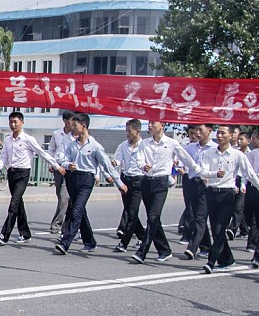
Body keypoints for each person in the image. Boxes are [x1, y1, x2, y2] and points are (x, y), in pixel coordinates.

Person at [196, 125, 259, 274]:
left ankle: (211, 261)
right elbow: (202, 171)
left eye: (223, 133)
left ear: (231, 135)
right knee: (216, 230)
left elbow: (250, 174)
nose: (220, 136)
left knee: (220, 228)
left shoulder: (237, 155)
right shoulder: (210, 153)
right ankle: (227, 259)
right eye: (218, 132)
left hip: (227, 194)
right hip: (211, 193)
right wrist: (213, 174)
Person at [53, 113, 126, 255]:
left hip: (87, 180)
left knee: (76, 210)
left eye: (75, 125)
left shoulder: (95, 146)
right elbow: (63, 159)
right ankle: (90, 242)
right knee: (79, 209)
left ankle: (65, 242)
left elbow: (107, 165)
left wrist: (119, 183)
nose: (72, 128)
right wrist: (68, 165)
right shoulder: (72, 145)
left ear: (83, 126)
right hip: (72, 178)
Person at [0, 111, 64, 245]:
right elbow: (4, 157)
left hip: (23, 174)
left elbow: (42, 153)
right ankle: (25, 234)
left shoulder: (28, 139)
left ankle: (4, 235)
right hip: (11, 173)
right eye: (11, 122)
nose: (13, 125)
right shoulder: (8, 140)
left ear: (22, 122)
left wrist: (56, 166)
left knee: (13, 204)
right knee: (18, 204)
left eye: (16, 122)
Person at [135, 120, 201, 263]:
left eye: (153, 123)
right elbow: (139, 159)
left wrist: (199, 171)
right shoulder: (144, 143)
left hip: (161, 182)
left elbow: (185, 158)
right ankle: (164, 250)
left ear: (162, 126)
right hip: (147, 181)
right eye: (149, 123)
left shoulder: (171, 143)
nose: (150, 125)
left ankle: (142, 252)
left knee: (152, 217)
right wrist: (143, 166)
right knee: (154, 218)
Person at [112, 119, 148, 253]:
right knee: (129, 210)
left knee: (132, 211)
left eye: (129, 130)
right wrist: (115, 163)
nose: (127, 133)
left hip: (139, 180)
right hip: (125, 180)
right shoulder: (123, 145)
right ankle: (143, 236)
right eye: (126, 130)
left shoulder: (144, 145)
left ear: (137, 130)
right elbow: (118, 159)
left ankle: (124, 242)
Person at [183, 123, 216, 260]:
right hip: (192, 184)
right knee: (192, 215)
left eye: (200, 130)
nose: (197, 133)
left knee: (200, 217)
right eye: (196, 130)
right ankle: (206, 246)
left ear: (209, 130)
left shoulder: (215, 148)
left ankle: (192, 247)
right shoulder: (190, 147)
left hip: (206, 186)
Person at [47, 111, 74, 234]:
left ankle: (56, 225)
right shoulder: (57, 134)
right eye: (70, 120)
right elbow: (51, 149)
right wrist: (53, 164)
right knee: (61, 196)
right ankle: (69, 223)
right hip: (58, 168)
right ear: (65, 121)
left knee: (64, 198)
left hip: (71, 169)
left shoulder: (77, 135)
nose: (72, 123)